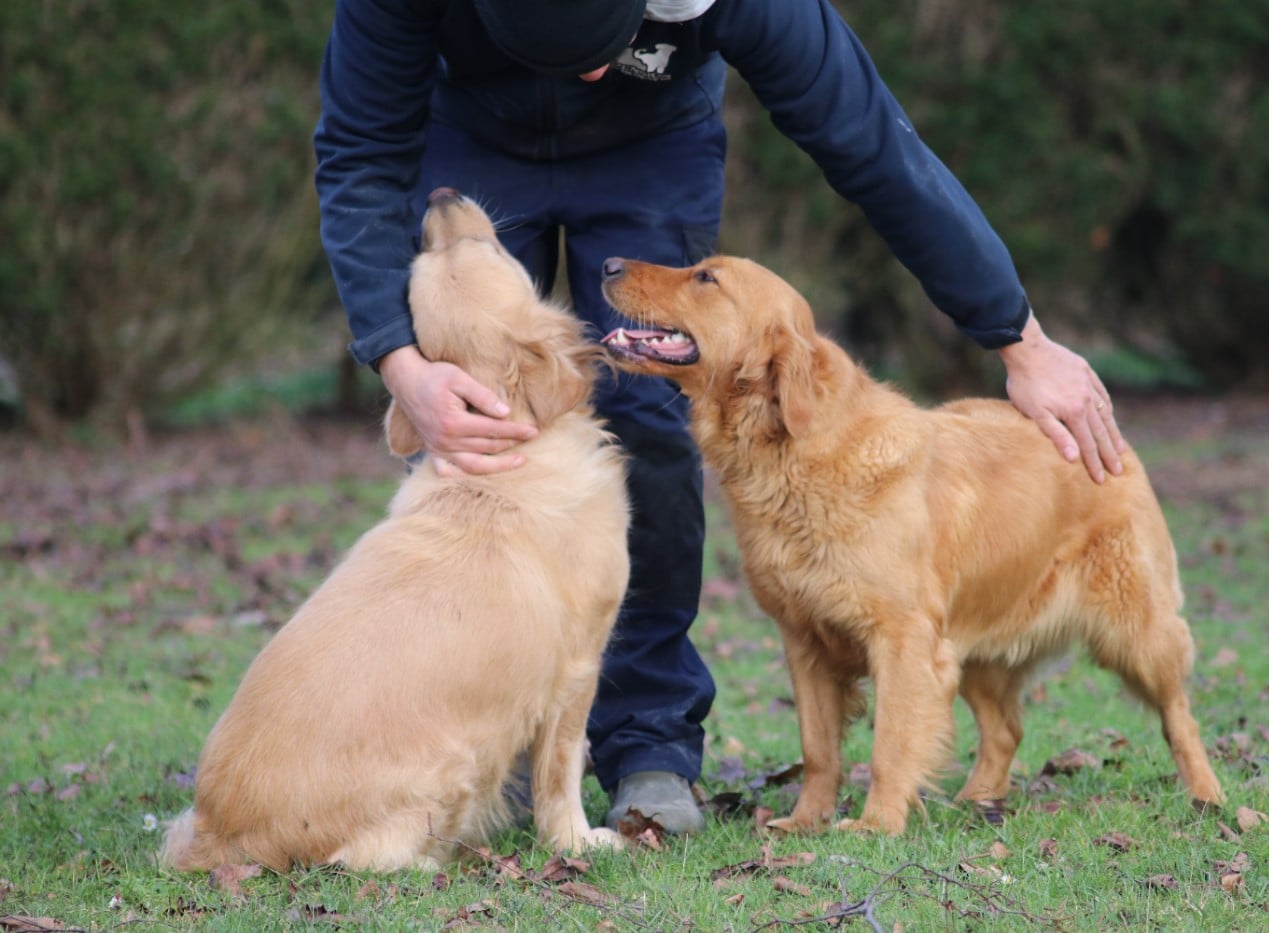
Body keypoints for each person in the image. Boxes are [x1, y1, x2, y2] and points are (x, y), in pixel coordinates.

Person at [313, 0, 1127, 836]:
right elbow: (356, 153)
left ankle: (650, 743)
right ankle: (490, 743)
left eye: (603, 52)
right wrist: (402, 363)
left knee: (648, 415)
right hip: (469, 139)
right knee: (473, 427)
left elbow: (873, 143)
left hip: (649, 143)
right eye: (565, 60)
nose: (589, 76)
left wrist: (1016, 335)